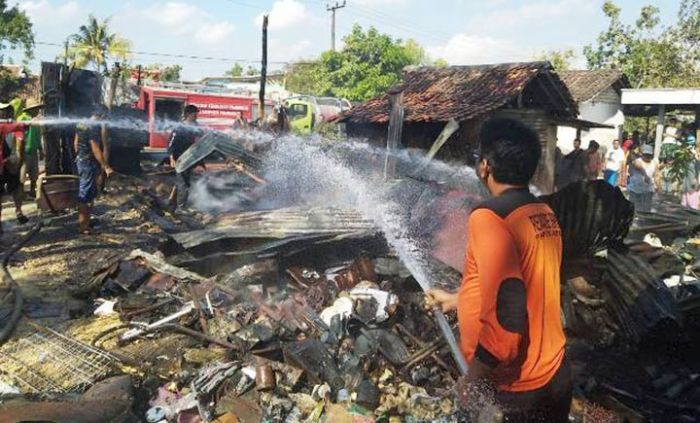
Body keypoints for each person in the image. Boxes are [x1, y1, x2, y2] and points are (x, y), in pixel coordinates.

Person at [427, 118, 570, 422]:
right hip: (555, 372)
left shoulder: (490, 218)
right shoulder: (542, 213)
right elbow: (526, 283)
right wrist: (457, 300)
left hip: (516, 388)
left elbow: (508, 318)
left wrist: (473, 378)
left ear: (485, 166)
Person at [75, 107, 112, 235]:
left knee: (88, 194)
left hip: (81, 159)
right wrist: (105, 166)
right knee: (85, 195)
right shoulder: (94, 127)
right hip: (88, 163)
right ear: (101, 116)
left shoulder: (81, 123)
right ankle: (83, 227)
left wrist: (79, 155)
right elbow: (95, 148)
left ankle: (86, 222)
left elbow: (76, 142)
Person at [0, 103, 29, 233]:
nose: (4, 113)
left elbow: (20, 141)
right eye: (2, 110)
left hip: (11, 161)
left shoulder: (14, 125)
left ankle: (18, 211)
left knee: (17, 186)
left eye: (6, 110)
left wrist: (17, 161)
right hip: (2, 162)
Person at [168, 104, 200, 209]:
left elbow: (202, 135)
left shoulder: (195, 126)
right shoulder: (179, 127)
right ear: (188, 115)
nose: (196, 116)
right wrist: (172, 158)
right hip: (180, 158)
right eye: (194, 114)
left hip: (189, 158)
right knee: (183, 184)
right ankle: (181, 208)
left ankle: (171, 203)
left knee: (182, 182)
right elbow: (171, 144)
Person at [16, 103, 43, 198]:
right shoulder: (22, 118)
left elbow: (38, 135)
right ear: (30, 109)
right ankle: (21, 193)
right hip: (24, 151)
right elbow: (19, 129)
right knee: (23, 173)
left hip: (33, 150)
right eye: (36, 108)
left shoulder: (36, 120)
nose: (38, 111)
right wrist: (30, 122)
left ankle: (32, 191)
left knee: (34, 173)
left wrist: (40, 149)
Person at [627, 144, 658, 212]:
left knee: (646, 209)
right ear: (642, 154)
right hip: (635, 190)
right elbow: (639, 167)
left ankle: (643, 221)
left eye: (649, 155)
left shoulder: (654, 163)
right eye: (645, 154)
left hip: (648, 190)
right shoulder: (638, 161)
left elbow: (656, 175)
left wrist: (657, 185)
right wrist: (645, 175)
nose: (647, 156)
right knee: (633, 208)